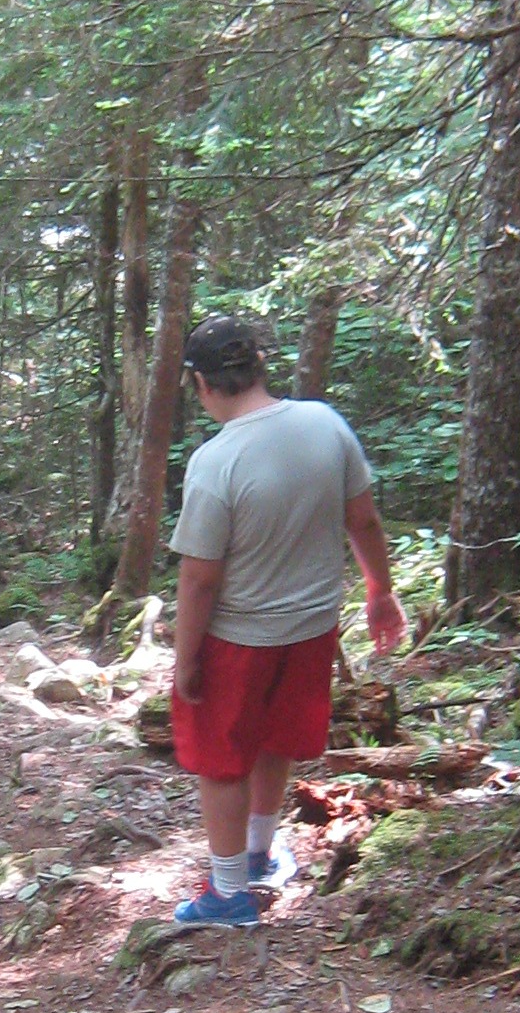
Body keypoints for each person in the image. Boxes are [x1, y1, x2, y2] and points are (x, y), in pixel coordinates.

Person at [164, 313, 406, 925]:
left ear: (201, 382)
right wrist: (380, 590)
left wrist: (185, 659)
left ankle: (228, 893)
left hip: (238, 636)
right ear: (259, 368)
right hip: (313, 625)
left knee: (221, 761)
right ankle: (260, 856)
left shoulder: (216, 461)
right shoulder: (325, 424)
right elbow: (365, 519)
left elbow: (199, 578)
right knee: (275, 742)